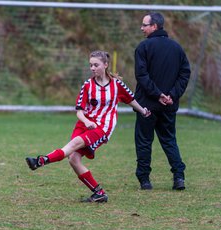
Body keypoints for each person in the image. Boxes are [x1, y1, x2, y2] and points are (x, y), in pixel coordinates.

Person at [26, 50, 151, 203]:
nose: (92, 68)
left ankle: (40, 161)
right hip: (85, 124)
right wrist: (86, 121)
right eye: (91, 65)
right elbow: (79, 111)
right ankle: (99, 193)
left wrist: (143, 110)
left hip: (102, 128)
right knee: (73, 159)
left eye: (96, 65)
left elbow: (131, 99)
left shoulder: (117, 85)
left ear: (105, 65)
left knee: (73, 145)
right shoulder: (87, 85)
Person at [134, 12, 191, 190]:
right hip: (169, 105)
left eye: (144, 25)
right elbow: (185, 74)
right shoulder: (177, 48)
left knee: (144, 141)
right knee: (169, 140)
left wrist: (158, 94)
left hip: (147, 106)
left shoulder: (143, 48)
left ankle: (144, 180)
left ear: (154, 26)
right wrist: (171, 95)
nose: (142, 28)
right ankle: (179, 177)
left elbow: (142, 76)